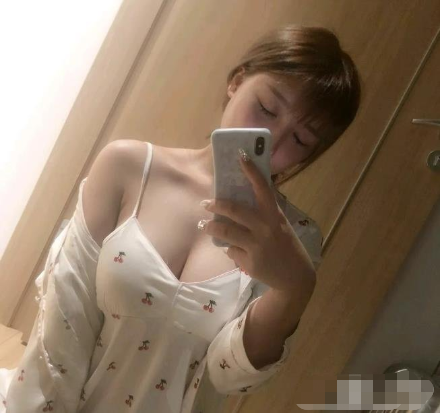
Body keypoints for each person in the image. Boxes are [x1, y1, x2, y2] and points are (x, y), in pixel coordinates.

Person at [0, 24, 360, 412]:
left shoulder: (294, 240)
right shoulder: (128, 167)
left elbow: (229, 376)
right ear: (237, 82)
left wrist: (295, 290)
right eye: (267, 108)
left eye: (300, 140)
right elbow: (61, 333)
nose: (272, 140)